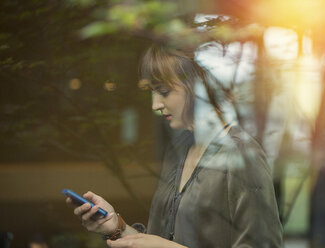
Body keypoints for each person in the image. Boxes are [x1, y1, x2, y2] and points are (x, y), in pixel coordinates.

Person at [66, 45, 283, 248]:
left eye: (164, 91)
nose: (155, 105)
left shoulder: (242, 156)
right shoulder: (179, 151)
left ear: (197, 86)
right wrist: (117, 227)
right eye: (152, 92)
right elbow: (161, 241)